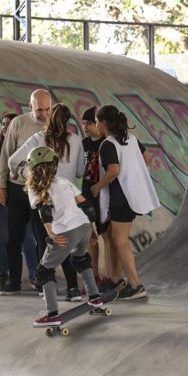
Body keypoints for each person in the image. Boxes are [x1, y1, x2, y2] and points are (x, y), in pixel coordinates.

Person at [8, 103, 85, 301]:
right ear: (69, 120)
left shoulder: (38, 138)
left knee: (45, 242)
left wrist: (27, 173)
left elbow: (12, 161)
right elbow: (79, 172)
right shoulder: (76, 140)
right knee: (66, 242)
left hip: (43, 198)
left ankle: (46, 288)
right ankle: (73, 289)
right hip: (67, 199)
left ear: (50, 116)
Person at [24, 146, 104, 327]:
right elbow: (87, 206)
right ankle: (95, 297)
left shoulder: (35, 188)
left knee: (43, 271)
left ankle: (52, 314)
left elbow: (44, 210)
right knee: (81, 258)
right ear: (53, 165)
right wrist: (93, 227)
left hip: (66, 231)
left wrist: (50, 233)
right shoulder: (64, 182)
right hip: (83, 226)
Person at [90, 105, 159, 300]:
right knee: (113, 238)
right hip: (131, 195)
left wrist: (97, 187)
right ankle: (115, 279)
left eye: (96, 121)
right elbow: (147, 157)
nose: (96, 125)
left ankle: (136, 285)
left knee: (120, 241)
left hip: (121, 198)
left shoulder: (108, 144)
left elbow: (113, 170)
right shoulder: (131, 139)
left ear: (103, 123)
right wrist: (135, 173)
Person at [0, 89, 52, 296]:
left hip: (41, 191)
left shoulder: (54, 126)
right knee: (13, 237)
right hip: (17, 188)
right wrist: (1, 185)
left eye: (47, 109)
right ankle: (13, 281)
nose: (44, 114)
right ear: (30, 107)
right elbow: (6, 154)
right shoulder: (18, 123)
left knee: (42, 236)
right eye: (39, 110)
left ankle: (41, 280)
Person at [0, 112, 39, 292]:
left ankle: (35, 276)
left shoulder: (25, 147)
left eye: (10, 124)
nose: (6, 127)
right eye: (4, 124)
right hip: (4, 201)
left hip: (26, 198)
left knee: (29, 239)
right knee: (6, 238)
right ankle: (4, 277)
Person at [80, 106, 112, 286]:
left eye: (90, 123)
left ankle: (108, 275)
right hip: (87, 194)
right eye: (83, 123)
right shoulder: (83, 144)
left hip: (104, 195)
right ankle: (94, 276)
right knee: (91, 236)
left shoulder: (107, 143)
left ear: (99, 123)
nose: (85, 127)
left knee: (106, 235)